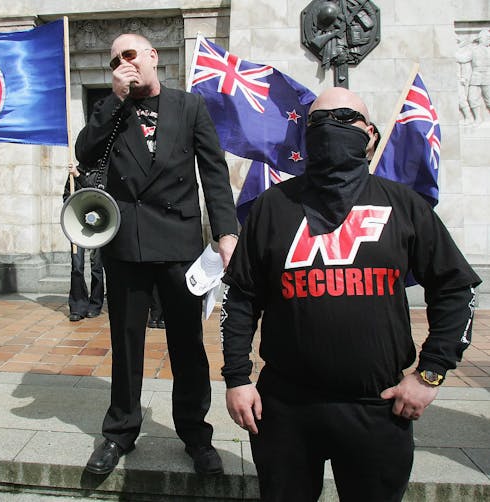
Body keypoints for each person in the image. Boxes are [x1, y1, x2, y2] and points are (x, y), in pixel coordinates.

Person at [220, 87, 481, 501]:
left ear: (371, 134)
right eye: (319, 121)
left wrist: (430, 373)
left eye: (346, 118)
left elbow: (456, 288)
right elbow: (240, 299)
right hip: (285, 410)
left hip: (377, 408)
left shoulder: (404, 205)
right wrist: (237, 378)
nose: (331, 128)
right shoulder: (272, 206)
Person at [75, 33, 238, 475]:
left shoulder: (189, 107)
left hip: (179, 244)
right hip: (126, 243)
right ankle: (119, 433)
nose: (123, 64)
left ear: (153, 57)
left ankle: (195, 434)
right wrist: (113, 99)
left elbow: (214, 174)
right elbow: (85, 154)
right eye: (115, 61)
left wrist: (226, 231)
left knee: (186, 345)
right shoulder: (111, 109)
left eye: (130, 55)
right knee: (126, 345)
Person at [64, 164, 104, 321]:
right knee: (77, 266)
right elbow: (67, 197)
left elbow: (99, 194)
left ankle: (95, 304)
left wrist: (78, 175)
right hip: (78, 227)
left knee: (97, 267)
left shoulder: (102, 170)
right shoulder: (74, 173)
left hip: (99, 227)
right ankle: (77, 306)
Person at [456, 29, 490, 123]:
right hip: (476, 77)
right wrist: (452, 51)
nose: (489, 40)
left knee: (489, 99)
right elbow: (462, 58)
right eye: (487, 38)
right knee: (472, 98)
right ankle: (477, 118)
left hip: (488, 77)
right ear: (480, 39)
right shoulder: (474, 50)